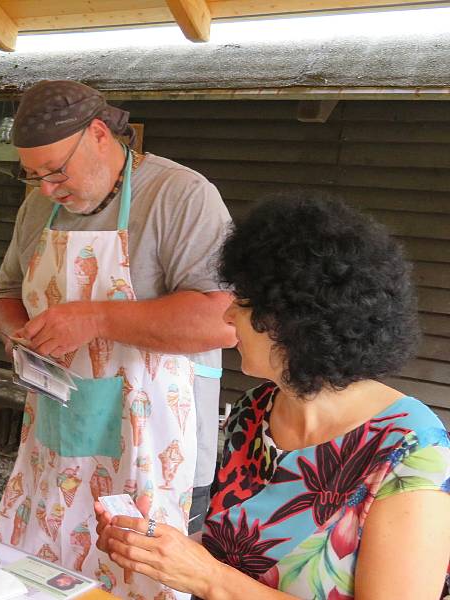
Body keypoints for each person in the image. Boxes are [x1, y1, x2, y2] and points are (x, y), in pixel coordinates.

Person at [95, 194, 450, 599]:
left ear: (297, 319)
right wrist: (154, 548)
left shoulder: (410, 450)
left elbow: (219, 578)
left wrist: (206, 577)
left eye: (243, 302)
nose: (228, 315)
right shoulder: (255, 411)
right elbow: (237, 561)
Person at [0, 79, 235, 598]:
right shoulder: (38, 208)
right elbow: (6, 294)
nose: (48, 189)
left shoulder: (182, 196)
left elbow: (222, 319)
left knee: (146, 575)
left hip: (158, 439)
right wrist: (18, 336)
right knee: (46, 575)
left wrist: (97, 319)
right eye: (33, 176)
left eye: (57, 171)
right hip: (59, 430)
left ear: (100, 134)